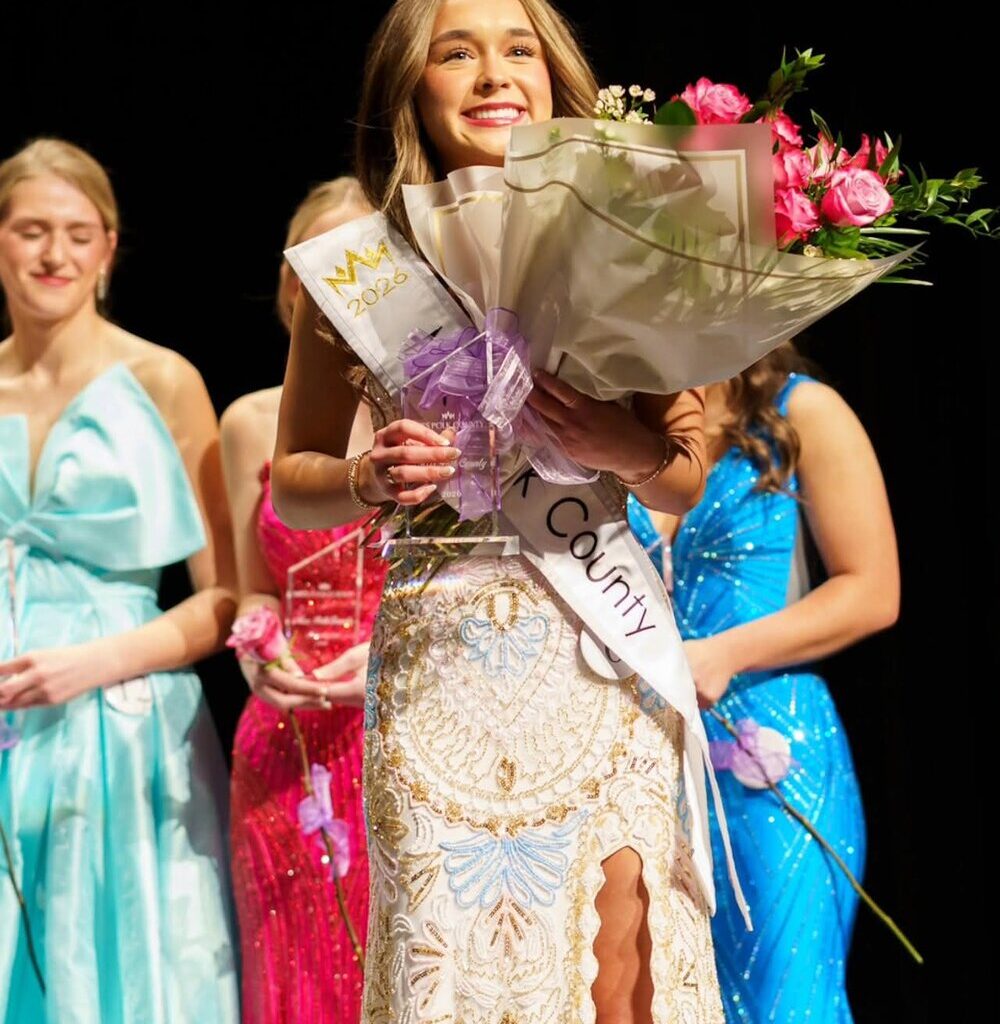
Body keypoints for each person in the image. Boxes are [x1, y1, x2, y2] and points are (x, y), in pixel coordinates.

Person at [270, 1, 726, 1021]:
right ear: (411, 87)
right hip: (437, 666)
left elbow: (681, 476)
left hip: (598, 649)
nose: (493, 73)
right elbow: (292, 479)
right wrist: (366, 476)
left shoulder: (631, 244)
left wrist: (618, 444)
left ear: (554, 76)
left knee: (619, 968)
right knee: (451, 971)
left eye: (518, 48)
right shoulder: (360, 264)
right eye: (456, 52)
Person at [0, 138, 238, 1023]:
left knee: (116, 965)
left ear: (108, 247)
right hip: (4, 714)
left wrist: (95, 663)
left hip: (123, 723)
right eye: (31, 230)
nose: (53, 254)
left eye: (77, 233)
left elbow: (230, 600)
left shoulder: (162, 380)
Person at [630, 345, 900, 1023]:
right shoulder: (611, 422)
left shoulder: (801, 410)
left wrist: (724, 653)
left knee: (781, 1002)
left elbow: (872, 589)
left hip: (767, 755)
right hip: (639, 760)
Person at [219, 175, 386, 1024]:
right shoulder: (249, 421)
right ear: (292, 284)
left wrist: (388, 658)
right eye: (319, 263)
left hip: (398, 726)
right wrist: (258, 649)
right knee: (289, 977)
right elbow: (252, 588)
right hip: (281, 743)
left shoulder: (437, 414)